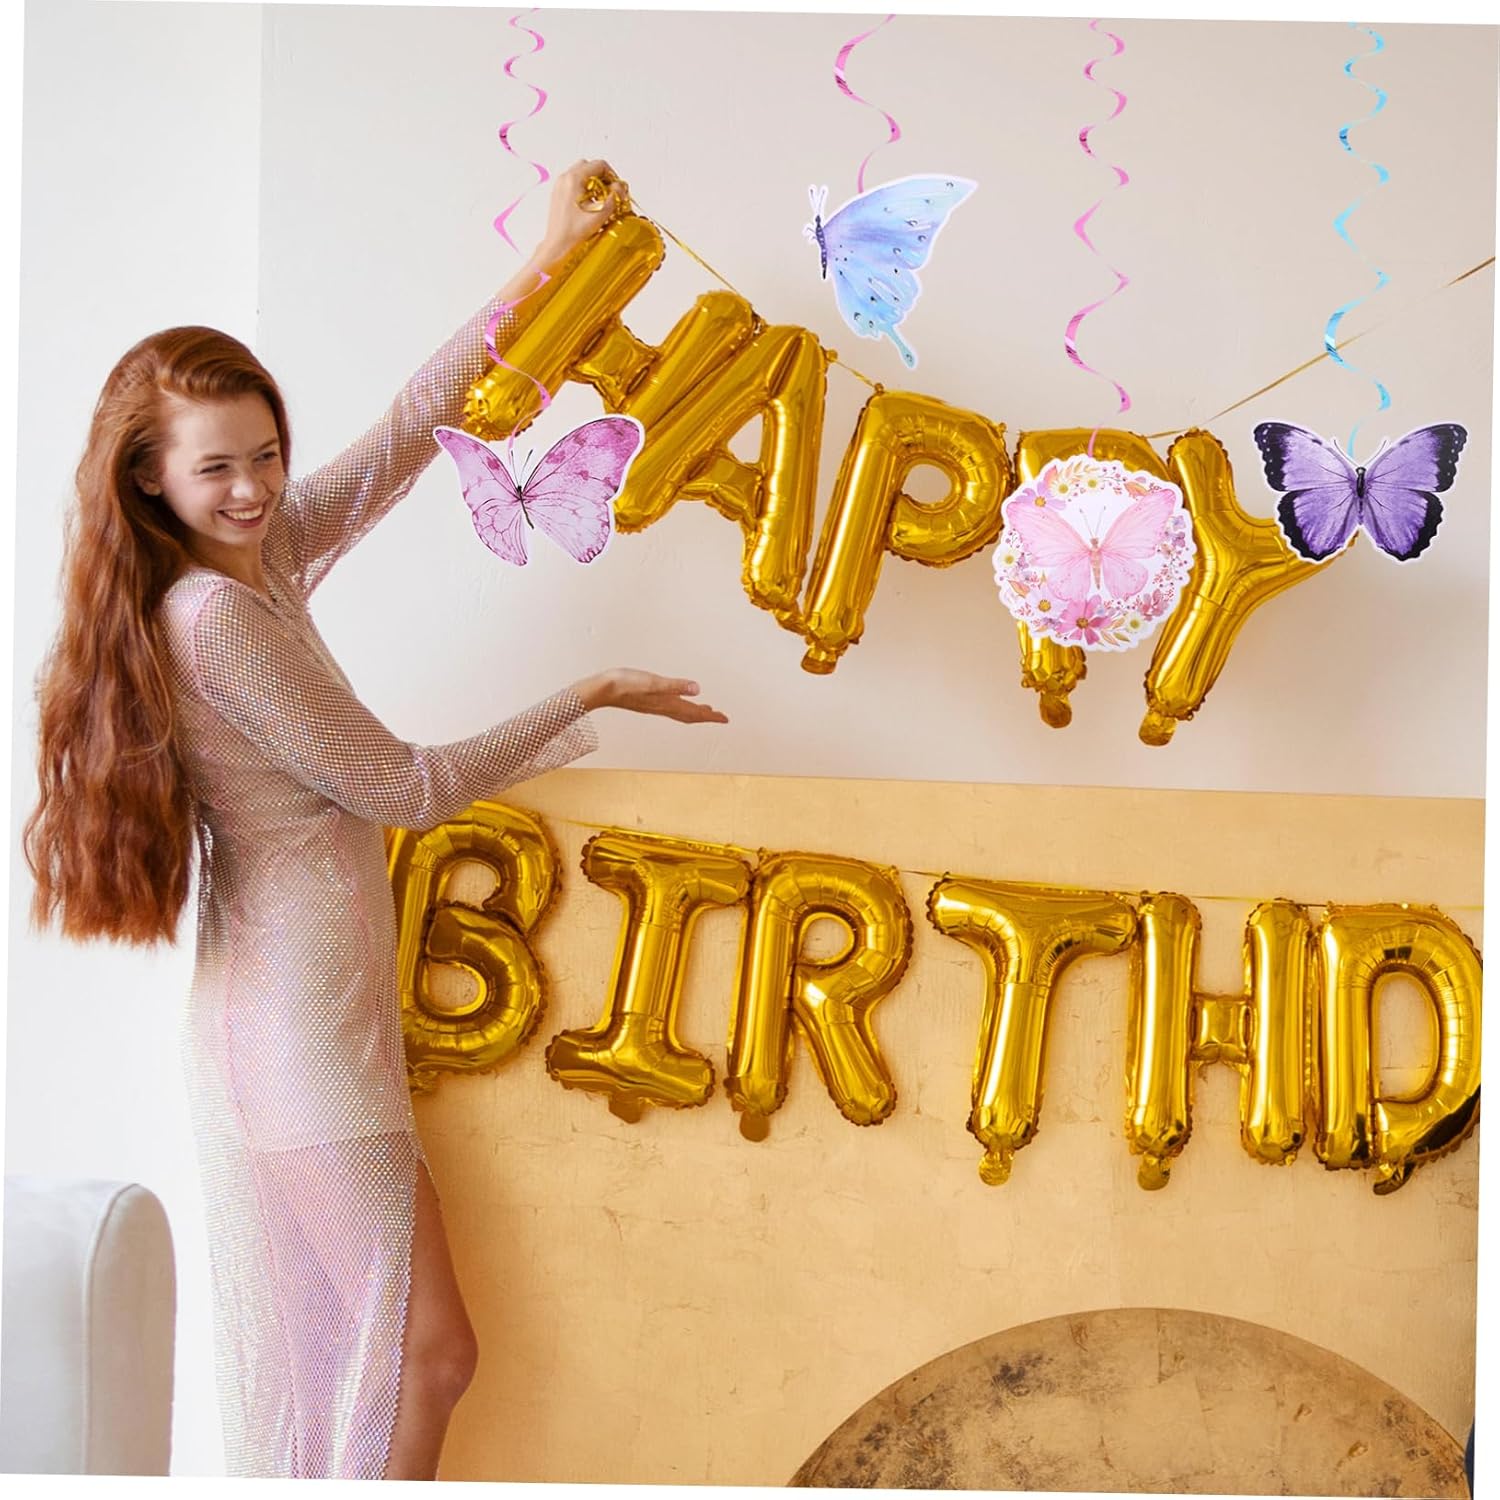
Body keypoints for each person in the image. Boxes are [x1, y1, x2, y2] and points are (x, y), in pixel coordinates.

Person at [23, 158, 725, 1480]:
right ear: (151, 480)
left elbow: (412, 426)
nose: (253, 487)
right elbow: (401, 789)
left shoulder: (261, 559)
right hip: (292, 1028)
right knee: (426, 1350)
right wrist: (587, 694)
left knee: (380, 1347)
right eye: (217, 468)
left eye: (266, 455)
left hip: (317, 1011)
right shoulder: (211, 615)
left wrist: (548, 259)